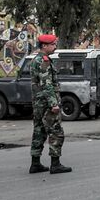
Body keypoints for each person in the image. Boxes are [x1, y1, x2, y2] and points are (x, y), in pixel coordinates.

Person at [29, 34, 72, 174]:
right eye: (53, 44)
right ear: (44, 46)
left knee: (39, 131)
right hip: (47, 104)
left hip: (38, 103)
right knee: (56, 131)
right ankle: (55, 164)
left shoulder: (35, 60)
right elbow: (47, 84)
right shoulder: (44, 61)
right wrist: (54, 104)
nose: (54, 47)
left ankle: (35, 164)